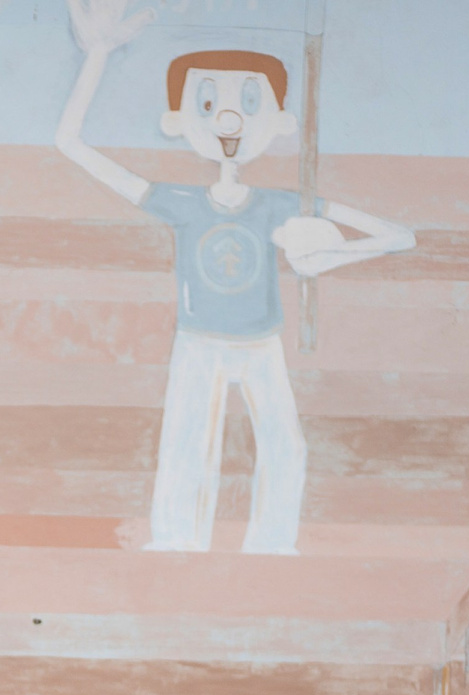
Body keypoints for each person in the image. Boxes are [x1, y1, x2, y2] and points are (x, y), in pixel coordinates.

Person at [55, 0, 411, 554]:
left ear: (281, 123)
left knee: (284, 448)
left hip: (261, 342)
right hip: (198, 343)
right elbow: (70, 145)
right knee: (185, 449)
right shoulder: (179, 201)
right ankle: (175, 547)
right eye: (207, 102)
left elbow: (398, 236)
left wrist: (326, 256)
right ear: (177, 120)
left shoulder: (280, 204)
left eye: (250, 102)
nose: (228, 120)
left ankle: (272, 550)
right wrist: (98, 54)